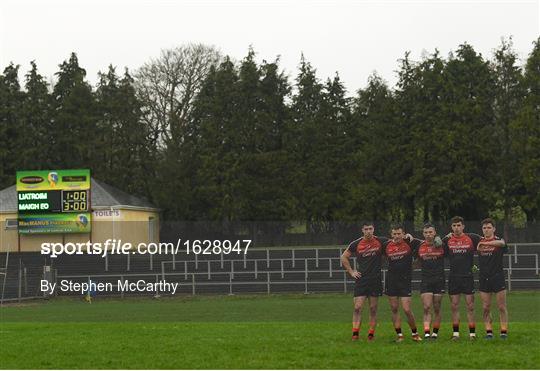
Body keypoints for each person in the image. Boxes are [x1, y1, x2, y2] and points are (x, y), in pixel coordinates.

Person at [442, 216, 505, 340]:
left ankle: (472, 334)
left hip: (468, 277)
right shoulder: (447, 240)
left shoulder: (472, 238)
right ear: (451, 227)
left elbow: (498, 241)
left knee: (470, 306)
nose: (456, 228)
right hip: (453, 277)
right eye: (454, 226)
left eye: (459, 225)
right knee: (454, 306)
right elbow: (436, 246)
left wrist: (486, 243)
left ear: (463, 226)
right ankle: (456, 334)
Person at [341, 222, 389, 341]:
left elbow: (397, 241)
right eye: (366, 229)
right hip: (361, 280)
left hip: (375, 280)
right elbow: (343, 257)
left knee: (373, 309)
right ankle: (355, 333)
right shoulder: (356, 243)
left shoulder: (381, 241)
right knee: (357, 307)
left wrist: (408, 236)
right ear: (362, 230)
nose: (368, 231)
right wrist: (351, 272)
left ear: (374, 229)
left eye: (370, 229)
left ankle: (371, 334)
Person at [383, 224, 422, 342]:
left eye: (399, 233)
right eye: (394, 234)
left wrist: (412, 237)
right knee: (394, 308)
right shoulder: (386, 245)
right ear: (391, 234)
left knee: (406, 309)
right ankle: (399, 335)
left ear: (403, 234)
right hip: (391, 281)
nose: (396, 236)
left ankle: (415, 333)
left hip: (405, 281)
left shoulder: (410, 242)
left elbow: (426, 243)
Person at [477, 218, 508, 339]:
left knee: (501, 306)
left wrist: (485, 243)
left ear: (494, 229)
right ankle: (489, 332)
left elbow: (502, 243)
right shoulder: (478, 241)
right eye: (484, 228)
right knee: (485, 307)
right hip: (484, 278)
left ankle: (503, 332)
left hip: (498, 277)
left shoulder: (498, 241)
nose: (486, 230)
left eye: (489, 227)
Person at [413, 223, 445, 340]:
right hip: (426, 280)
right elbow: (416, 262)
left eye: (430, 232)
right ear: (423, 234)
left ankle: (435, 333)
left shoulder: (442, 245)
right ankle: (427, 333)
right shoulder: (420, 246)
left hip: (439, 280)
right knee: (426, 307)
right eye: (426, 232)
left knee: (437, 308)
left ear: (435, 232)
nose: (428, 235)